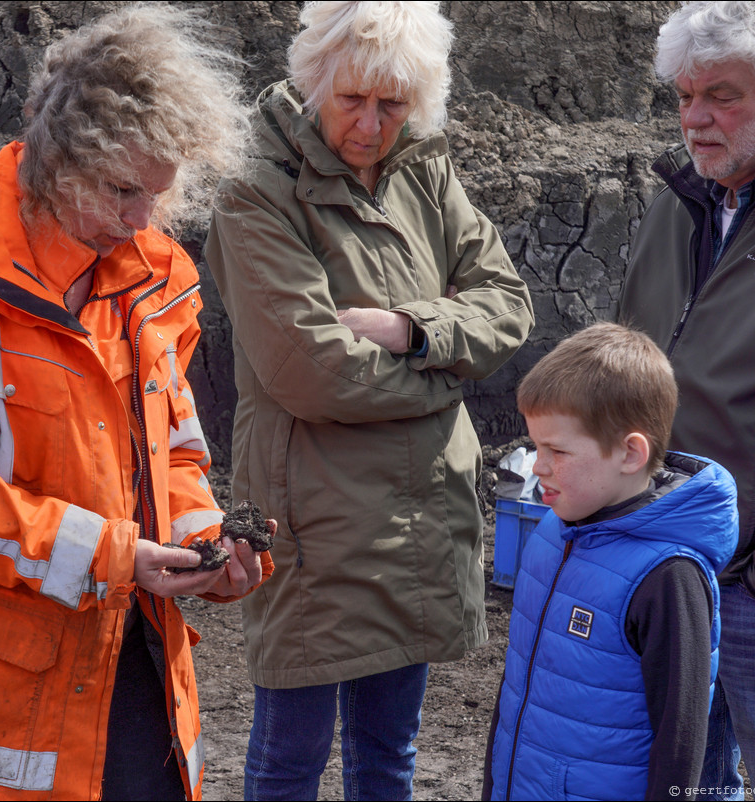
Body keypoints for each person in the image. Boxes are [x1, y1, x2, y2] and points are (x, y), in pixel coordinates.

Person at [0, 6, 275, 800]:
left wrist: (203, 544)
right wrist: (116, 557)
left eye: (159, 193)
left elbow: (171, 447)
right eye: (122, 192)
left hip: (136, 684)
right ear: (58, 162)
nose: (144, 219)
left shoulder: (158, 276)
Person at [203, 2, 534, 799]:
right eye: (353, 100)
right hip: (313, 522)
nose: (371, 124)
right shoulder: (256, 194)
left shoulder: (425, 166)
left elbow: (509, 304)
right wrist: (448, 373)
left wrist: (406, 328)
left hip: (420, 516)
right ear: (313, 81)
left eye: (393, 105)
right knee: (291, 758)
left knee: (392, 753)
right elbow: (310, 370)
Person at [618, 2, 755, 799]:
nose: (695, 120)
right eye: (684, 96)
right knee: (682, 782)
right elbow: (630, 355)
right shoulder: (683, 197)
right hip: (667, 564)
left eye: (722, 95)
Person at [482, 322, 739, 801]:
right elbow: (518, 681)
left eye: (556, 450)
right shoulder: (551, 532)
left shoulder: (669, 578)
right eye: (536, 446)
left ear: (630, 453)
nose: (537, 467)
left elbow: (680, 741)